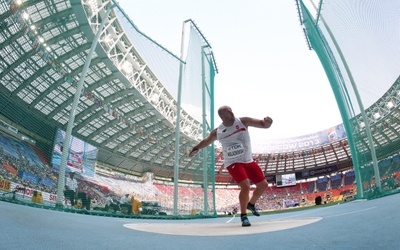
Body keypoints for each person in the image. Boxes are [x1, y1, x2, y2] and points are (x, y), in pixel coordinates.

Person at [189, 106, 273, 227]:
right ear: (222, 117)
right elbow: (206, 141)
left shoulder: (243, 121)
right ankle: (243, 216)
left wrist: (268, 122)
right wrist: (195, 148)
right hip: (233, 162)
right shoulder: (218, 131)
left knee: (263, 185)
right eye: (228, 112)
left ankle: (251, 204)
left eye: (231, 110)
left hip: (248, 160)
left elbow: (263, 124)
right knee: (245, 185)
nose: (232, 113)